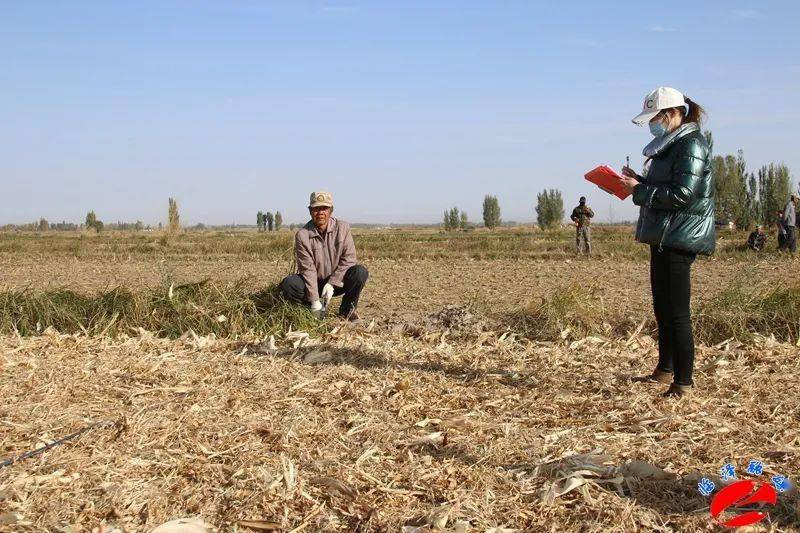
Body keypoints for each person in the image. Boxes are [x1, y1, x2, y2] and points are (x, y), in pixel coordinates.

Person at [619, 87, 714, 398]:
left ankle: (683, 382)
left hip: (680, 236)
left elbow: (683, 195)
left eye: (655, 118)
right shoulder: (672, 145)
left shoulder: (692, 145)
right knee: (662, 307)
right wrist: (639, 182)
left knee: (677, 312)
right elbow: (667, 186)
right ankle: (664, 370)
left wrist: (640, 191)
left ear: (673, 114)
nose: (652, 125)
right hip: (663, 235)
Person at [280, 191, 369, 320]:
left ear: (331, 210)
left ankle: (347, 310)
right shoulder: (303, 235)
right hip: (313, 283)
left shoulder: (343, 228)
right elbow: (307, 268)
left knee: (360, 272)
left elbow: (349, 259)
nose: (320, 212)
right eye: (316, 208)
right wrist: (315, 300)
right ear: (310, 211)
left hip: (338, 283)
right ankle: (310, 310)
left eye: (324, 208)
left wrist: (332, 283)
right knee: (289, 284)